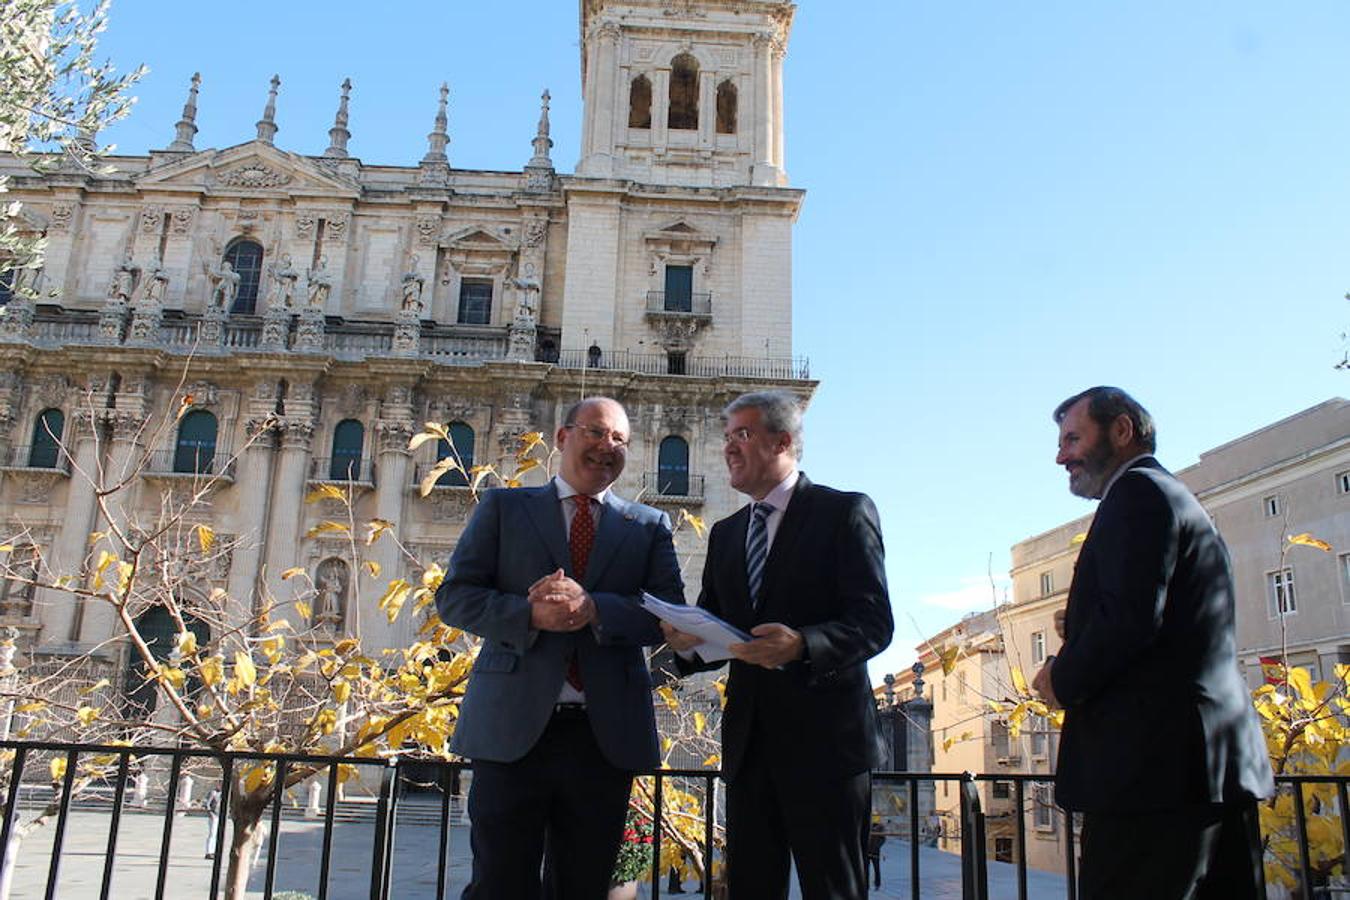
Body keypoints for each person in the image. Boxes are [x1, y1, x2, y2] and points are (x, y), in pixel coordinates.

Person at [436, 397, 684, 900]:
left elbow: (667, 616)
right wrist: (528, 614)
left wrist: (596, 609)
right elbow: (455, 598)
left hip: (603, 738)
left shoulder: (648, 527)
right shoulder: (504, 508)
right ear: (563, 437)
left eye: (619, 439)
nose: (606, 446)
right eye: (595, 432)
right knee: (500, 884)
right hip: (511, 731)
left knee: (585, 887)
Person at [1030, 386, 1274, 899]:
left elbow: (1130, 620)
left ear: (1121, 431)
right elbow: (1160, 616)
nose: (1061, 456)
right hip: (1206, 768)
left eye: (1073, 438)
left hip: (1152, 777)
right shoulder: (1170, 495)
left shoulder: (1136, 494)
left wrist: (1060, 678)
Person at [662, 389, 893, 900]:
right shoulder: (726, 534)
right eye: (726, 438)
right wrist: (686, 642)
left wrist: (803, 645)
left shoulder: (844, 512)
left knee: (832, 890)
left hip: (828, 749)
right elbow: (715, 630)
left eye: (741, 435)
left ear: (782, 441)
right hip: (751, 750)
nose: (728, 448)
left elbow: (875, 622)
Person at [866, 821, 885, 890]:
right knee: (866, 869)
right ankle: (866, 884)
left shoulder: (881, 828)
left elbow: (883, 839)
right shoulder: (867, 826)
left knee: (876, 868)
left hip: (875, 852)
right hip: (867, 852)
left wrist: (876, 846)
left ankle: (877, 884)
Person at [203, 786, 221, 859]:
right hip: (213, 815)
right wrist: (210, 813)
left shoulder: (222, 793)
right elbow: (207, 804)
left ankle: (213, 851)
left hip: (219, 815)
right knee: (212, 834)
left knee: (216, 834)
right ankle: (208, 852)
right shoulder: (213, 793)